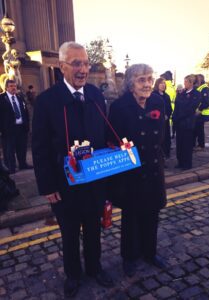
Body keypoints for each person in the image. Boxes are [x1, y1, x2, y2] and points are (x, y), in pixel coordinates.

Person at [32, 41, 113, 298]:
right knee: (69, 232)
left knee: (93, 228)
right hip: (63, 183)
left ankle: (94, 268)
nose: (83, 69)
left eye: (86, 63)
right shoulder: (47, 101)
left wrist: (116, 152)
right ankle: (73, 275)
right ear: (61, 66)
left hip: (94, 181)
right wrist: (47, 186)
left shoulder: (95, 94)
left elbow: (103, 135)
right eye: (76, 63)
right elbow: (40, 147)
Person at [108, 64, 167, 277]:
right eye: (142, 79)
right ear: (131, 83)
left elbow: (161, 135)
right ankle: (129, 257)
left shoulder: (157, 101)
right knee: (131, 217)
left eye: (150, 79)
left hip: (152, 166)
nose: (148, 84)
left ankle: (149, 253)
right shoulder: (119, 107)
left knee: (152, 213)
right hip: (130, 172)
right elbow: (112, 138)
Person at [0, 79, 32, 174]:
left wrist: (27, 125)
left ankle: (23, 164)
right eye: (11, 86)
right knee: (9, 149)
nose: (13, 88)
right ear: (6, 87)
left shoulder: (20, 97)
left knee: (22, 147)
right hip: (8, 129)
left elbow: (25, 111)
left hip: (21, 127)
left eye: (14, 86)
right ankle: (11, 167)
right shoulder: (1, 98)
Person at [172, 75, 201, 170]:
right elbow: (177, 106)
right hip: (179, 123)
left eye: (186, 82)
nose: (184, 84)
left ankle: (187, 163)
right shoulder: (182, 93)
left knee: (187, 145)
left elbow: (190, 108)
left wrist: (179, 116)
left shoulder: (196, 94)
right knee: (179, 144)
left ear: (191, 83)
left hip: (188, 123)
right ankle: (180, 162)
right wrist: (175, 118)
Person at [153, 77, 172, 158]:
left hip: (165, 121)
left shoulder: (166, 96)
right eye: (161, 83)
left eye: (164, 83)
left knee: (166, 138)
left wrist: (167, 115)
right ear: (157, 85)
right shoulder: (153, 95)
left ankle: (166, 154)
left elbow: (169, 108)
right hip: (157, 121)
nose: (163, 85)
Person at [193, 74, 209, 151]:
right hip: (199, 113)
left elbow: (206, 102)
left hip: (201, 113)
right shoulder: (199, 88)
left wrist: (199, 110)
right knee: (197, 129)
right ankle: (199, 144)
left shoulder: (204, 88)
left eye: (197, 79)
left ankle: (201, 145)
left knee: (199, 130)